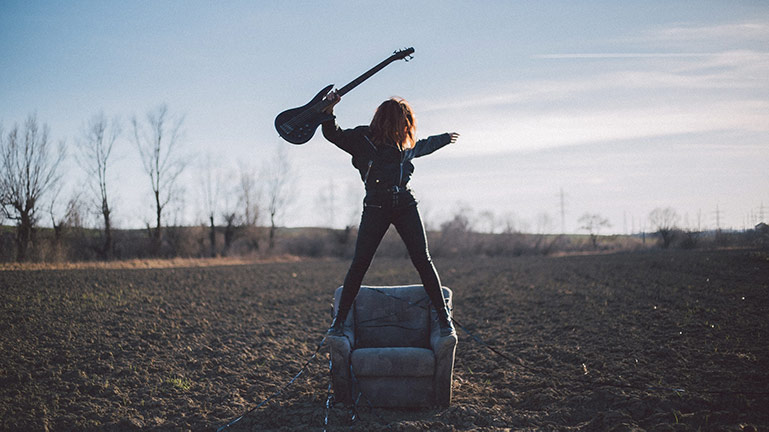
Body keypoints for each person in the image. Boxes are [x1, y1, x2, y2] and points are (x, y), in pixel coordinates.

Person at [321, 91, 459, 338]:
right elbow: (334, 134)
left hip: (405, 203)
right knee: (360, 263)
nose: (407, 126)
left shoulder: (405, 144)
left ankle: (444, 316)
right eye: (403, 121)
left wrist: (445, 138)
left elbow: (425, 145)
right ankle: (339, 322)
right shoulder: (363, 138)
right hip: (376, 205)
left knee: (423, 260)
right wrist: (328, 111)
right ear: (391, 120)